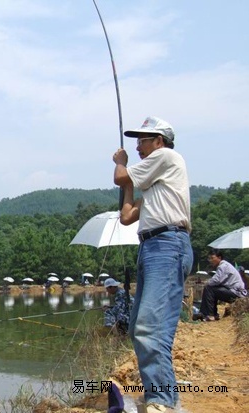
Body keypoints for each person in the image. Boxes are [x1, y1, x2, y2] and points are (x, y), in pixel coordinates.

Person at [113, 116, 193, 412]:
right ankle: (163, 398)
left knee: (150, 327)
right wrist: (130, 186)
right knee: (139, 327)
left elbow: (120, 176)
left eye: (142, 141)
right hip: (151, 246)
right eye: (136, 144)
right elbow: (126, 216)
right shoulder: (157, 185)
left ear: (159, 141)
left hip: (166, 245)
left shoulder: (167, 156)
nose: (137, 148)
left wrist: (120, 162)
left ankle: (162, 401)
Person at [197, 250, 247, 321]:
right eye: (209, 258)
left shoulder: (223, 266)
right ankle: (209, 313)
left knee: (209, 288)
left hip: (236, 293)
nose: (210, 260)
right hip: (234, 291)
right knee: (211, 288)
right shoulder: (224, 265)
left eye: (212, 258)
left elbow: (216, 280)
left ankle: (210, 314)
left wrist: (206, 283)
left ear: (219, 257)